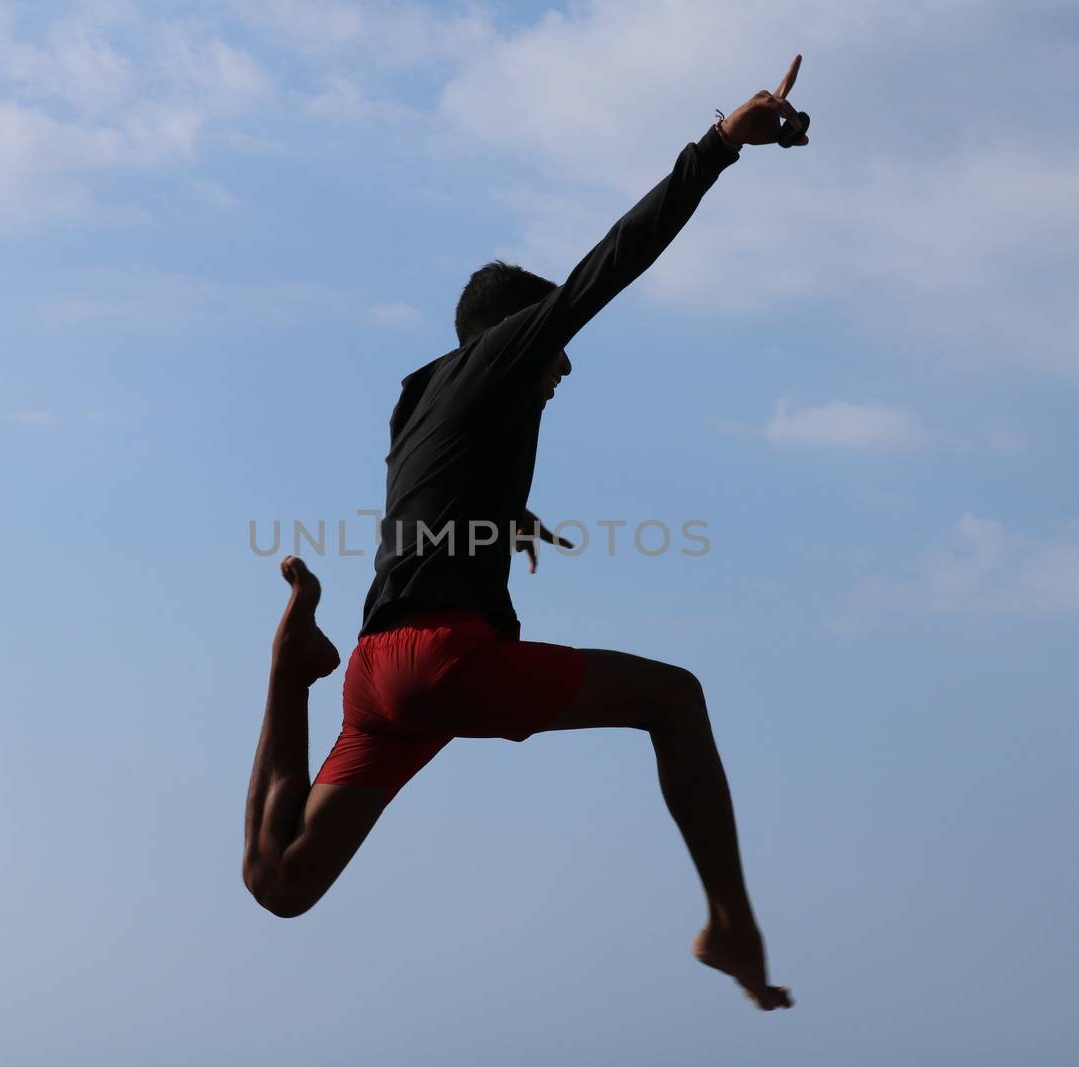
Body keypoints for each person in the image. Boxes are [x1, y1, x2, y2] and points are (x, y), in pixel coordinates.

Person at [243, 57, 811, 1011]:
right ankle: (732, 924)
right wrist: (719, 147)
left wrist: (501, 517)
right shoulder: (503, 356)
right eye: (554, 346)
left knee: (282, 883)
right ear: (514, 337)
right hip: (441, 662)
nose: (566, 366)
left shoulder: (420, 396)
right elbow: (612, 262)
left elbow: (426, 491)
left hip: (377, 674)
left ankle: (286, 664)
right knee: (677, 700)